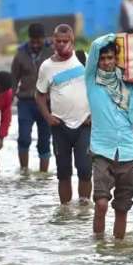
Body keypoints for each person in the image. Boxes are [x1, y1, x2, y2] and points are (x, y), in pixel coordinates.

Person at [85, 33, 133, 239]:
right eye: (103, 59)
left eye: (110, 57)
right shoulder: (92, 81)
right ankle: (99, 245)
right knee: (101, 203)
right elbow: (95, 45)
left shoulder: (129, 86)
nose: (106, 62)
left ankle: (118, 253)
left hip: (129, 153)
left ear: (116, 59)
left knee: (122, 209)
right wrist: (117, 37)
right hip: (102, 151)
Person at [35, 24, 92, 205]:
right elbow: (39, 95)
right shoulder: (47, 67)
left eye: (65, 41)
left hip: (85, 125)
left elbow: (100, 88)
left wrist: (94, 115)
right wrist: (47, 116)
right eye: (57, 41)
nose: (61, 44)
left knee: (84, 170)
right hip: (60, 127)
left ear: (72, 41)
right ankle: (65, 211)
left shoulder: (85, 59)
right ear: (53, 41)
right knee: (63, 172)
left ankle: (84, 208)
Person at [11, 23, 54, 173]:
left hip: (47, 103)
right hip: (25, 102)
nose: (35, 44)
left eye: (38, 41)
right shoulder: (20, 54)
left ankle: (43, 175)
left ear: (44, 38)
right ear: (29, 39)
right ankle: (24, 171)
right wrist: (9, 98)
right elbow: (14, 79)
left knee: (44, 141)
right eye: (32, 41)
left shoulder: (52, 52)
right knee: (24, 137)